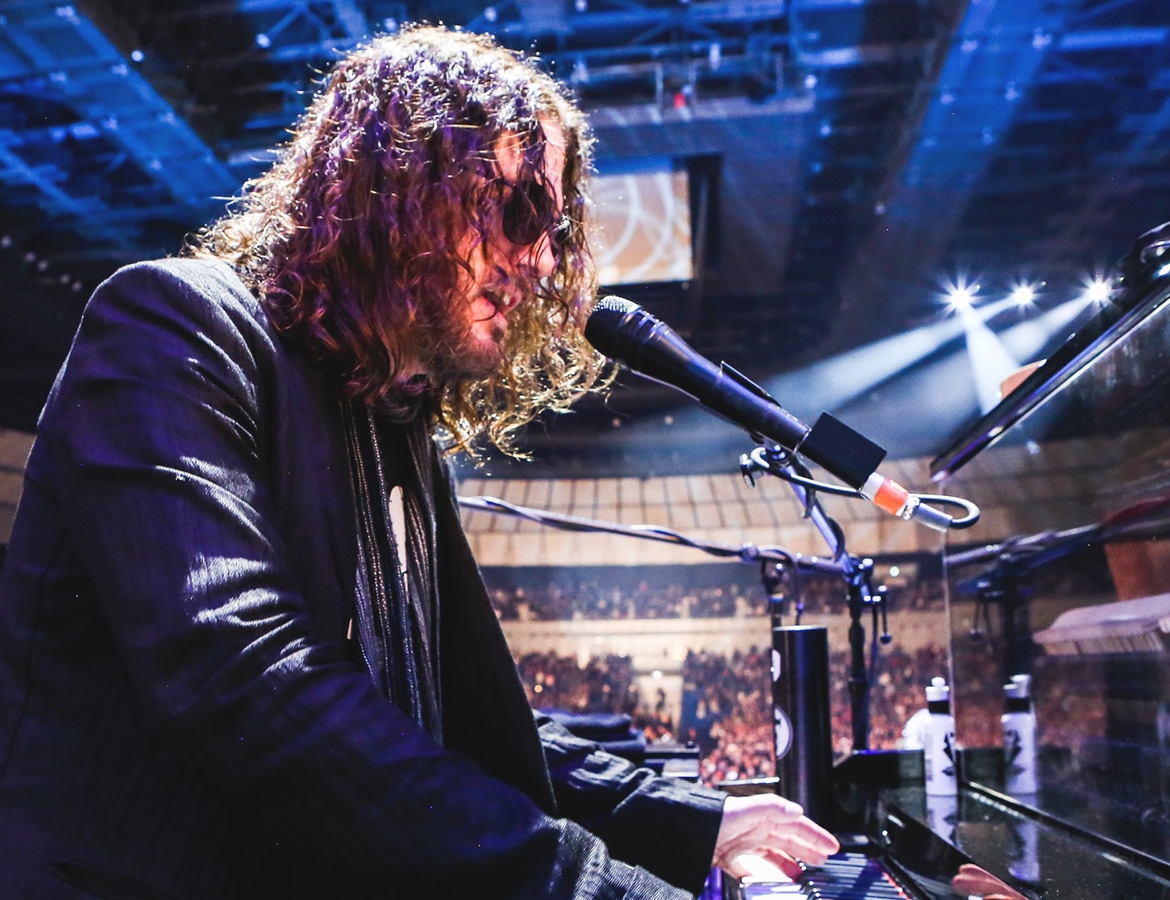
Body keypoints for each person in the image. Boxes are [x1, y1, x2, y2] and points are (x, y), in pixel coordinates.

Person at [0, 25, 838, 899]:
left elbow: (452, 720)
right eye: (519, 213)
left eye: (553, 230)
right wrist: (608, 890)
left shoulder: (388, 418)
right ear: (400, 183)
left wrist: (694, 821)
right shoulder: (174, 327)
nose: (540, 260)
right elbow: (252, 683)